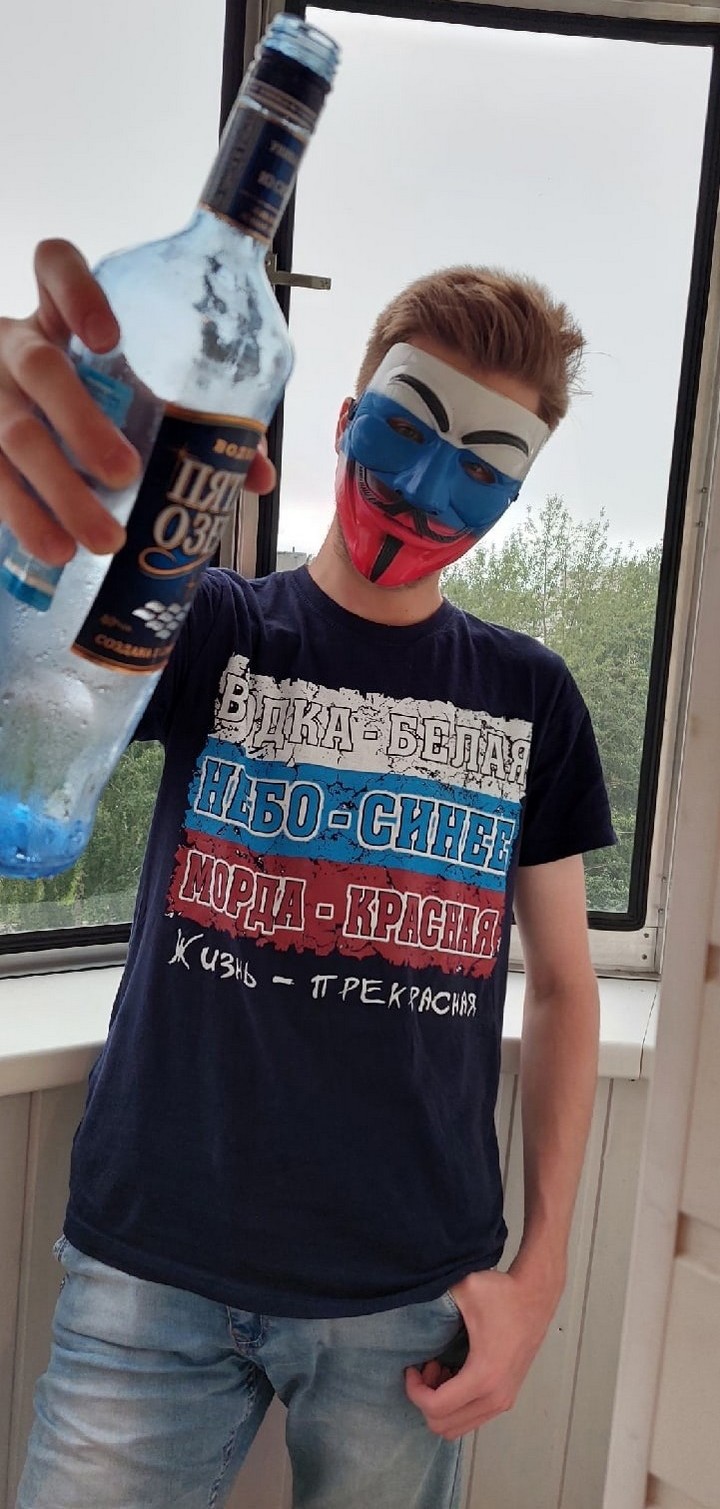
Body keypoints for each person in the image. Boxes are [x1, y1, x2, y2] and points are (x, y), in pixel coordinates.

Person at [0, 240, 614, 1509]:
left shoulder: (533, 696)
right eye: (404, 433)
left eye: (482, 470)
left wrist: (543, 1276)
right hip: (150, 1260)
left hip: (411, 1291)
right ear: (342, 420)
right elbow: (40, 666)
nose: (426, 495)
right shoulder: (216, 629)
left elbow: (565, 984)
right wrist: (36, 477)